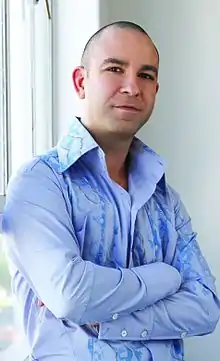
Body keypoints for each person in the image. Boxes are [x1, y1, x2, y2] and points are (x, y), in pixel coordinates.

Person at [2, 21, 220, 361]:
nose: (133, 86)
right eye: (115, 68)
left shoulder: (166, 199)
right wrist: (164, 277)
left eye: (146, 75)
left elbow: (206, 308)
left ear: (156, 89)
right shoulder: (40, 182)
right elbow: (71, 298)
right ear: (81, 81)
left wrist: (104, 320)